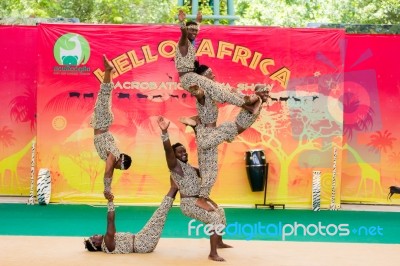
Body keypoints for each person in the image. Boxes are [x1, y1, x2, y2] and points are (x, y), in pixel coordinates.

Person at [179, 64, 266, 211]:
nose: (213, 76)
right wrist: (195, 90)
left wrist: (241, 94)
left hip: (210, 135)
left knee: (209, 170)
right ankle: (202, 199)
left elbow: (224, 94)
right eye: (210, 74)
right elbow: (199, 93)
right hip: (207, 136)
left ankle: (203, 197)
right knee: (211, 169)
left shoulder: (213, 92)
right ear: (203, 79)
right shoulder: (204, 93)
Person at [157, 116, 232, 262]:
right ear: (175, 156)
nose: (184, 153)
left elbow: (205, 171)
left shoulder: (190, 168)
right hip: (189, 203)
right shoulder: (175, 167)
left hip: (199, 200)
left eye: (184, 151)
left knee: (220, 212)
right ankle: (213, 253)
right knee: (214, 218)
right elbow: (168, 152)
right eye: (180, 152)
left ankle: (219, 242)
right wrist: (165, 133)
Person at [174, 10, 260, 114]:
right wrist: (182, 22)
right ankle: (248, 106)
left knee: (220, 88)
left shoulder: (191, 43)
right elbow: (184, 33)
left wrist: (197, 22)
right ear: (186, 31)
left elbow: (193, 32)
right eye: (191, 30)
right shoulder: (183, 43)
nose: (194, 32)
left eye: (195, 30)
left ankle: (246, 101)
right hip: (188, 78)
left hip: (192, 76)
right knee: (217, 89)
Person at [83, 179, 178, 254]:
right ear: (95, 244)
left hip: (140, 239)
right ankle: (175, 187)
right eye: (93, 237)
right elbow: (110, 221)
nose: (95, 234)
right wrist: (110, 201)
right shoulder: (107, 242)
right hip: (142, 243)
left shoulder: (107, 241)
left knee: (160, 214)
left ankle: (175, 187)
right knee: (160, 214)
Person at [90, 55, 132, 197]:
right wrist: (107, 189)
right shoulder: (113, 156)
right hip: (102, 123)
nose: (116, 168)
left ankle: (109, 72)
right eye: (119, 168)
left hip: (100, 123)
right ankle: (109, 71)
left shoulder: (113, 154)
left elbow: (110, 170)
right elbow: (108, 171)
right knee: (104, 94)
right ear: (121, 161)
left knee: (104, 95)